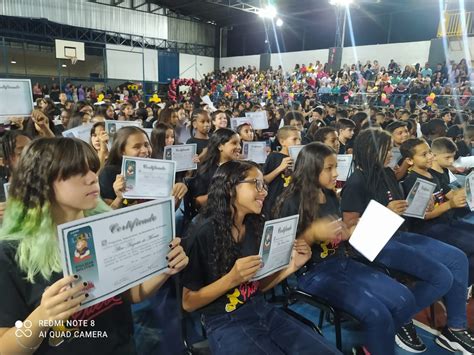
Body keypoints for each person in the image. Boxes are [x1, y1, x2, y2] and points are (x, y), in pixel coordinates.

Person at [0, 137, 188, 354]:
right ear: (42, 182)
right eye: (77, 172)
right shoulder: (12, 254)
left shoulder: (105, 228)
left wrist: (164, 267)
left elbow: (130, 294)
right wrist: (41, 317)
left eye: (92, 169)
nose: (92, 178)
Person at [181, 160, 341, 355]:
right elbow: (188, 302)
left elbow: (259, 285)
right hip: (224, 321)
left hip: (261, 309)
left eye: (263, 184)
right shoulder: (202, 232)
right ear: (230, 187)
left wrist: (291, 266)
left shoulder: (255, 224)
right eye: (255, 184)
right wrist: (232, 279)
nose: (264, 191)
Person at [274, 142, 417, 355]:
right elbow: (282, 253)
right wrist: (311, 234)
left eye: (336, 167)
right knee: (376, 313)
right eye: (329, 168)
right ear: (312, 169)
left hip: (342, 262)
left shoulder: (330, 195)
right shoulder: (291, 201)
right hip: (312, 272)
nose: (336, 173)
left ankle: (370, 347)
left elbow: (341, 234)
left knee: (405, 298)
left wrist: (352, 229)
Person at [341, 129, 474, 353]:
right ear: (372, 150)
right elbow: (350, 229)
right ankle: (399, 317)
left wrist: (425, 204)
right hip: (373, 243)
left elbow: (403, 208)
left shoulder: (387, 173)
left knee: (458, 259)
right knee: (441, 277)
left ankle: (455, 329)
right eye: (387, 148)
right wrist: (384, 211)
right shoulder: (356, 181)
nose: (391, 152)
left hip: (398, 234)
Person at [99, 127, 187, 210]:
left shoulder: (158, 170)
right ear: (122, 151)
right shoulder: (108, 173)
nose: (145, 150)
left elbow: (169, 210)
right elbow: (107, 218)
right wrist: (119, 198)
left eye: (146, 145)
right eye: (137, 147)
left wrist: (178, 193)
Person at [191, 128, 241, 209]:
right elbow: (198, 201)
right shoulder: (205, 171)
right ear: (220, 146)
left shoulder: (242, 168)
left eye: (239, 143)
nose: (239, 147)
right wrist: (221, 192)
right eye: (234, 143)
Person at [262, 126, 301, 217]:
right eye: (294, 139)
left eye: (300, 139)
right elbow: (264, 180)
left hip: (294, 203)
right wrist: (280, 168)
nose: (298, 143)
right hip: (274, 201)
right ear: (282, 142)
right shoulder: (274, 157)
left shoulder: (301, 159)